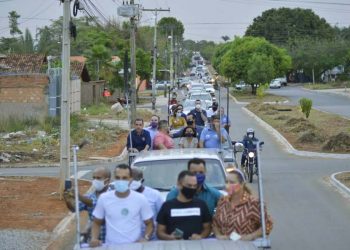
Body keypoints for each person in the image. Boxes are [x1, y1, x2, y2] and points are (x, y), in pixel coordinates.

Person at [90, 164, 154, 247]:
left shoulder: (140, 199)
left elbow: (150, 223)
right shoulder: (104, 198)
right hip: (111, 246)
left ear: (130, 179)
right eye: (117, 178)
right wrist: (94, 238)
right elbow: (96, 222)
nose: (121, 181)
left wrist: (145, 238)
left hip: (134, 247)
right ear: (114, 179)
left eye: (124, 178)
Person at [213, 169, 273, 240]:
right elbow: (215, 224)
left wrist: (251, 236)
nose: (228, 185)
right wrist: (219, 236)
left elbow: (267, 225)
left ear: (242, 184)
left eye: (232, 182)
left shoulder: (254, 203)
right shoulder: (223, 201)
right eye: (226, 182)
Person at [157, 170, 212, 240]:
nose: (192, 188)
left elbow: (207, 228)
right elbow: (160, 232)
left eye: (194, 186)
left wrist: (201, 236)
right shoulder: (167, 206)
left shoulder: (201, 205)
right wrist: (170, 237)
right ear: (179, 185)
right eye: (189, 185)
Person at [63, 166, 111, 243]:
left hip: (111, 242)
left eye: (98, 178)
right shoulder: (89, 196)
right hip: (94, 242)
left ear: (107, 181)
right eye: (94, 178)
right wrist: (68, 200)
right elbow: (74, 209)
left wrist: (78, 196)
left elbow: (96, 204)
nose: (95, 181)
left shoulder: (114, 195)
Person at [130, 168, 164, 239]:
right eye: (130, 179)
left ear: (142, 180)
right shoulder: (124, 196)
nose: (132, 182)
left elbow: (162, 217)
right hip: (131, 240)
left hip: (152, 240)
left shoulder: (155, 195)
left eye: (136, 179)